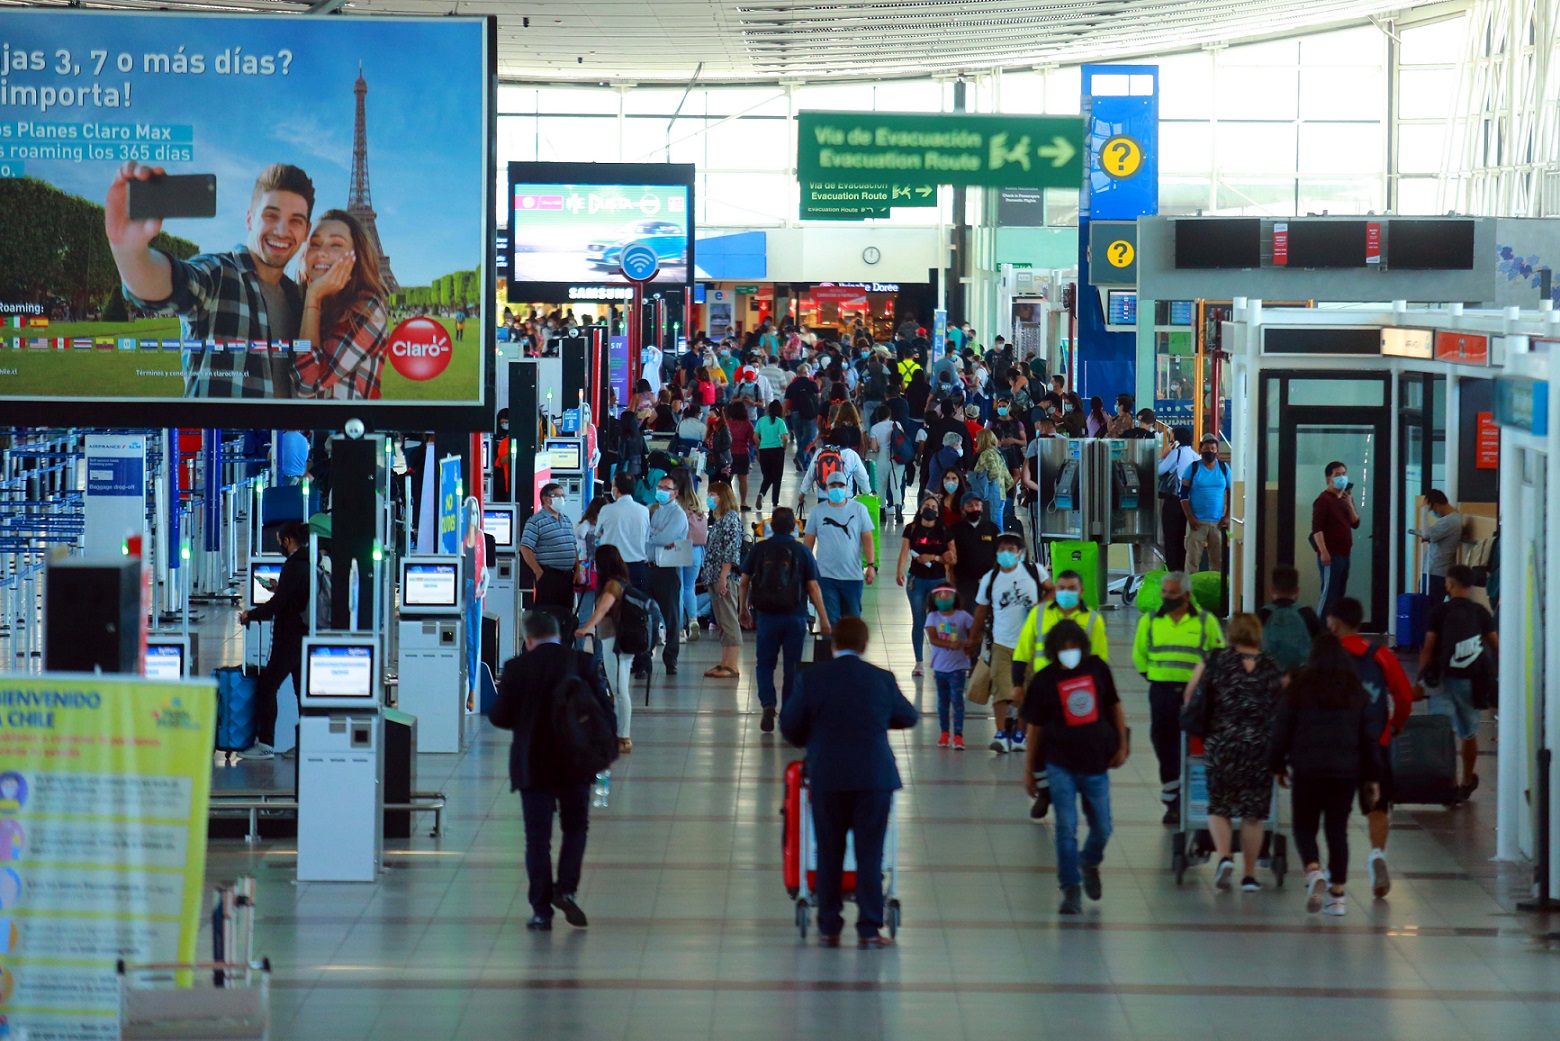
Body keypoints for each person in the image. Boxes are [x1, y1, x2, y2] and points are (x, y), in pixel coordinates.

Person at [108, 161, 313, 397]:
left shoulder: (297, 298)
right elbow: (173, 283)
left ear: (306, 231)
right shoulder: (218, 272)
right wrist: (129, 251)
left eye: (295, 221)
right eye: (270, 215)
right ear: (249, 219)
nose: (281, 230)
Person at [780, 616, 918, 948]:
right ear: (864, 645)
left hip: (827, 776)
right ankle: (870, 928)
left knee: (829, 850)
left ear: (834, 644)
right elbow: (909, 716)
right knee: (870, 854)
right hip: (874, 777)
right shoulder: (881, 679)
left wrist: (812, 737)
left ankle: (829, 926)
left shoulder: (813, 679)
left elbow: (789, 727)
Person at [489, 610, 616, 931]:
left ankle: (541, 910)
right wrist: (607, 752)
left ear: (527, 639)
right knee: (575, 828)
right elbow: (605, 710)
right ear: (558, 634)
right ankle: (568, 890)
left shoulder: (516, 668)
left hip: (533, 765)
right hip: (576, 762)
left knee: (537, 840)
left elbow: (499, 717)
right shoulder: (581, 664)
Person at [1268, 632, 1381, 917]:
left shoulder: (1299, 688)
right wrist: (1372, 777)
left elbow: (1281, 731)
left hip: (1307, 769)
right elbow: (1368, 739)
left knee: (1304, 826)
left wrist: (1277, 765)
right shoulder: (1355, 691)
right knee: (1337, 831)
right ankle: (1338, 897)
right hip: (1344, 772)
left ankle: (1313, 870)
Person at [1021, 620, 1130, 915]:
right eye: (1063, 648)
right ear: (1054, 651)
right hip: (1060, 765)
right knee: (1065, 828)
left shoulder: (1097, 670)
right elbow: (1035, 729)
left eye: (1074, 647)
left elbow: (1115, 707)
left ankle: (1090, 861)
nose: (1070, 652)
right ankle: (1070, 888)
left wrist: (1122, 744)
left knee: (1103, 827)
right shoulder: (1045, 681)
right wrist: (1030, 769)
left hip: (1096, 763)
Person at [1183, 613, 1284, 891]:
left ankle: (1225, 857)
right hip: (1260, 747)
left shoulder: (1215, 661)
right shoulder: (1272, 665)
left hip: (1222, 743)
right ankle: (1249, 876)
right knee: (1253, 814)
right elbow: (1282, 706)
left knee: (1219, 807)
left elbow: (1190, 695)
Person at [1326, 596, 1414, 896]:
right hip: (1375, 744)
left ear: (1333, 623)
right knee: (1377, 806)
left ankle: (1333, 870)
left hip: (1335, 747)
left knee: (1335, 810)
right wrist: (1396, 724)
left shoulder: (1326, 655)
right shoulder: (1380, 655)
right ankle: (1377, 854)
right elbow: (1403, 695)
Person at [1133, 571, 1225, 823]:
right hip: (1161, 691)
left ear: (1186, 595)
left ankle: (1198, 796)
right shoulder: (1150, 621)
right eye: (1164, 593)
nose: (1166, 597)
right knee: (1164, 742)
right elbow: (1140, 655)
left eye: (1172, 593)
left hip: (1196, 694)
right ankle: (1173, 798)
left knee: (1197, 744)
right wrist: (1154, 675)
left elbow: (1218, 655)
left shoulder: (1206, 621)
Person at [740, 508, 833, 732]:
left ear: (771, 527)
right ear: (794, 527)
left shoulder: (760, 548)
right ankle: (788, 711)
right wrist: (824, 618)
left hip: (766, 616)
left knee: (764, 664)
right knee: (792, 666)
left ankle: (768, 704)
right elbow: (813, 586)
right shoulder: (801, 551)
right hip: (795, 616)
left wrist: (743, 609)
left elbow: (744, 581)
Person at [1418, 565, 1499, 801]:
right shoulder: (1480, 612)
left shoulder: (1439, 612)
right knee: (1469, 733)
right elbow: (1495, 645)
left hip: (1441, 678)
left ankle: (1449, 782)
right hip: (1471, 681)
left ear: (1449, 584)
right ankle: (1466, 779)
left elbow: (1428, 648)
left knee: (1443, 733)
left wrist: (1419, 680)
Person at [291, 210, 391, 399]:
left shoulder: (368, 308)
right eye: (314, 244)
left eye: (336, 244)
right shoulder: (301, 302)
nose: (322, 252)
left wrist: (313, 297)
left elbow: (307, 382)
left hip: (346, 426)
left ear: (357, 255)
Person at [236, 521, 311, 760]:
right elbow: (293, 598)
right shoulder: (309, 562)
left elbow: (279, 605)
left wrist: (251, 614)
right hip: (303, 636)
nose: (280, 546)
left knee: (267, 687)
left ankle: (266, 743)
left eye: (280, 542)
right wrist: (279, 589)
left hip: (288, 638)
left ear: (288, 542)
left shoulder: (293, 565)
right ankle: (307, 741)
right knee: (302, 691)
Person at [969, 533, 1047, 753]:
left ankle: (1021, 734)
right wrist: (973, 638)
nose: (1006, 553)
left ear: (1020, 553)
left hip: (1029, 644)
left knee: (1026, 690)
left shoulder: (1035, 572)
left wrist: (1041, 607)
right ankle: (1001, 733)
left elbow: (1051, 590)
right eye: (1002, 548)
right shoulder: (990, 578)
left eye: (1011, 549)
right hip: (1001, 643)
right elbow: (981, 610)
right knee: (1001, 689)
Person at [574, 544, 637, 754]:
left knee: (620, 690)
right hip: (620, 641)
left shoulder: (612, 585)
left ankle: (624, 736)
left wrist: (585, 628)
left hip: (614, 642)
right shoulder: (622, 581)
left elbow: (602, 609)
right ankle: (619, 733)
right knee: (620, 689)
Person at [802, 472, 877, 624]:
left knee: (852, 622)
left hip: (852, 577)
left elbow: (867, 538)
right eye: (833, 486)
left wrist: (871, 565)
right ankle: (832, 647)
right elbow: (808, 542)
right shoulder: (817, 511)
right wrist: (806, 570)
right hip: (826, 576)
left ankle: (848, 648)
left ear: (847, 488)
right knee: (831, 621)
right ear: (826, 489)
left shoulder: (859, 509)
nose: (837, 489)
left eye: (841, 486)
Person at [642, 473, 690, 676]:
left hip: (668, 571)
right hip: (648, 567)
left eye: (666, 489)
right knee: (644, 616)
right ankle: (642, 660)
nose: (660, 491)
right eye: (659, 487)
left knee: (671, 617)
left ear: (675, 492)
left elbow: (665, 537)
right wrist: (654, 535)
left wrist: (651, 534)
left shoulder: (678, 514)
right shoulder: (652, 510)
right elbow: (643, 534)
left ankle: (671, 659)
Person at [520, 482, 580, 633]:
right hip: (549, 576)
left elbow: (572, 546)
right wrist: (539, 572)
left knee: (565, 617)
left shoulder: (565, 519)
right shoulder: (535, 522)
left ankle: (562, 647)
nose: (562, 499)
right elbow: (525, 548)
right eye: (558, 496)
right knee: (545, 618)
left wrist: (577, 569)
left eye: (563, 496)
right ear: (546, 499)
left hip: (567, 577)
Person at [701, 481, 745, 680]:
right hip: (714, 575)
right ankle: (725, 661)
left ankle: (732, 664)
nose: (710, 498)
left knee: (728, 619)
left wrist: (723, 577)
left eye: (713, 494)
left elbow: (730, 551)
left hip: (723, 577)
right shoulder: (720, 519)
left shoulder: (731, 519)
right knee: (721, 620)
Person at [924, 585, 974, 750]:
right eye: (939, 594)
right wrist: (950, 644)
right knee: (943, 701)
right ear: (933, 599)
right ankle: (944, 732)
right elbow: (933, 638)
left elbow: (975, 632)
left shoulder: (963, 616)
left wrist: (971, 642)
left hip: (958, 667)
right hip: (940, 667)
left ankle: (958, 735)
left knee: (957, 700)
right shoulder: (932, 617)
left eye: (947, 593)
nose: (943, 596)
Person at [1311, 460, 1360, 619]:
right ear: (1328, 479)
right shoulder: (1324, 500)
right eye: (1337, 475)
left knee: (1339, 595)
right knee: (1329, 594)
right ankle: (1321, 629)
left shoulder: (1346, 499)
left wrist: (1350, 504)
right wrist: (1323, 551)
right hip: (1330, 556)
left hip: (1345, 555)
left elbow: (1355, 523)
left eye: (1344, 474)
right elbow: (1317, 529)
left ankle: (1336, 629)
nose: (1342, 477)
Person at [1180, 433, 1230, 575]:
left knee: (1218, 563)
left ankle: (1217, 593)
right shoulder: (1193, 468)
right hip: (1197, 523)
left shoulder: (1224, 469)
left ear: (1217, 450)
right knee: (1192, 562)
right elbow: (1183, 495)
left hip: (1218, 524)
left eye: (1213, 448)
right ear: (1200, 450)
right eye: (1206, 448)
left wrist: (1227, 516)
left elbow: (1231, 492)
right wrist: (1190, 517)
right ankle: (1190, 592)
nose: (1210, 451)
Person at [1256, 564, 1321, 674]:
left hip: (1269, 675)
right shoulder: (1306, 613)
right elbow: (1319, 642)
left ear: (1271, 590)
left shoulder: (1263, 614)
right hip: (1300, 676)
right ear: (1297, 590)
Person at [949, 493, 1000, 612]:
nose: (974, 508)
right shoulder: (954, 529)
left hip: (988, 580)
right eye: (970, 506)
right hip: (964, 581)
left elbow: (999, 551)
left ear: (982, 508)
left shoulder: (991, 528)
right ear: (963, 509)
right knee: (967, 613)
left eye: (977, 505)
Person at [1158, 427, 1198, 571]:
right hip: (1190, 502)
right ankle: (1182, 569)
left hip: (1174, 501)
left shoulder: (1176, 453)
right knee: (1184, 537)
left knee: (1171, 537)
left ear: (1176, 440)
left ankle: (1172, 569)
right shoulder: (1195, 456)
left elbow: (1159, 470)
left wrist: (1163, 455)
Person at [1414, 490, 1462, 601]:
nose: (1432, 512)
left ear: (1436, 506)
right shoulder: (1451, 520)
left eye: (1430, 509)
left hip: (1435, 573)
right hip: (1435, 571)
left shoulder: (1450, 521)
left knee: (1426, 607)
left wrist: (1424, 512)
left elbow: (1427, 534)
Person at [970, 429, 1014, 531]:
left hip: (991, 496)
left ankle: (999, 546)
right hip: (1001, 495)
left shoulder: (986, 454)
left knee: (994, 527)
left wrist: (987, 485)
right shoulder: (998, 454)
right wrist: (1001, 489)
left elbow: (994, 473)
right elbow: (1009, 480)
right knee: (998, 524)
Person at [784, 363, 823, 472]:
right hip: (809, 414)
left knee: (800, 437)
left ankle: (805, 464)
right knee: (810, 437)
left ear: (797, 374)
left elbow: (786, 401)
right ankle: (800, 457)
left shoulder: (792, 385)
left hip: (795, 413)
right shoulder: (813, 384)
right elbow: (818, 398)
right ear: (807, 373)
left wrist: (783, 415)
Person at [866, 405, 902, 521]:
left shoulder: (875, 428)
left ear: (877, 416)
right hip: (897, 458)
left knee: (881, 485)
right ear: (889, 414)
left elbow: (874, 446)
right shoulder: (897, 424)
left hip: (882, 457)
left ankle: (881, 512)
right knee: (896, 484)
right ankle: (899, 511)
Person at [754, 399, 790, 510]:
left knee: (767, 477)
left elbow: (755, 437)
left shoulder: (761, 421)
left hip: (764, 451)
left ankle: (761, 494)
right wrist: (784, 448)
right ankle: (775, 504)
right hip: (777, 451)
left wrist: (759, 449)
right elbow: (785, 438)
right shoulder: (780, 422)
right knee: (777, 479)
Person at [726, 401, 756, 509]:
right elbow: (753, 440)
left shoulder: (727, 423)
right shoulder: (748, 424)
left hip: (729, 455)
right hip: (743, 454)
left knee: (728, 479)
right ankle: (743, 503)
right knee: (743, 480)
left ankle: (729, 503)